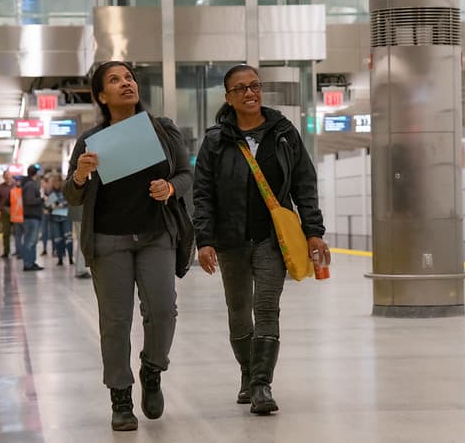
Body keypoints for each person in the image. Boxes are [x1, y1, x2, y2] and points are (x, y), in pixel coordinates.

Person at [192, 64, 330, 415]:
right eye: (240, 89)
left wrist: (314, 232)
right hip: (230, 240)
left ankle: (261, 384)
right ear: (228, 98)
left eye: (255, 85)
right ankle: (247, 372)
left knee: (267, 307)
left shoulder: (283, 133)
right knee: (238, 311)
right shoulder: (215, 141)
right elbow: (203, 193)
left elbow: (304, 184)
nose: (250, 93)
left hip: (272, 239)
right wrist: (204, 239)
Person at [63, 60, 192, 432]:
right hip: (109, 241)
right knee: (116, 323)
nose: (126, 84)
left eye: (129, 78)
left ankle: (152, 369)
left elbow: (185, 174)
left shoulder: (163, 130)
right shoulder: (90, 141)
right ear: (102, 96)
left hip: (156, 236)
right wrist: (81, 174)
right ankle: (120, 396)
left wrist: (170, 189)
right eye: (115, 80)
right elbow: (72, 195)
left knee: (164, 311)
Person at [46, 173, 73, 266]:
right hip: (54, 219)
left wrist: (62, 204)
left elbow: (70, 201)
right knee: (58, 239)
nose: (56, 184)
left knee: (68, 238)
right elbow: (48, 206)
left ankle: (70, 258)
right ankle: (60, 258)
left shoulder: (65, 191)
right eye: (54, 182)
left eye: (57, 182)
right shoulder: (51, 193)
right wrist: (50, 206)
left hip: (65, 217)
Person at [0, 170, 15, 258]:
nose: (7, 177)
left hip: (16, 212)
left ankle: (19, 251)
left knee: (18, 232)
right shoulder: (0, 187)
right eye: (6, 176)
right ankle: (6, 251)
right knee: (6, 233)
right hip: (5, 212)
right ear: (3, 177)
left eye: (9, 175)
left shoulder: (16, 186)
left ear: (11, 176)